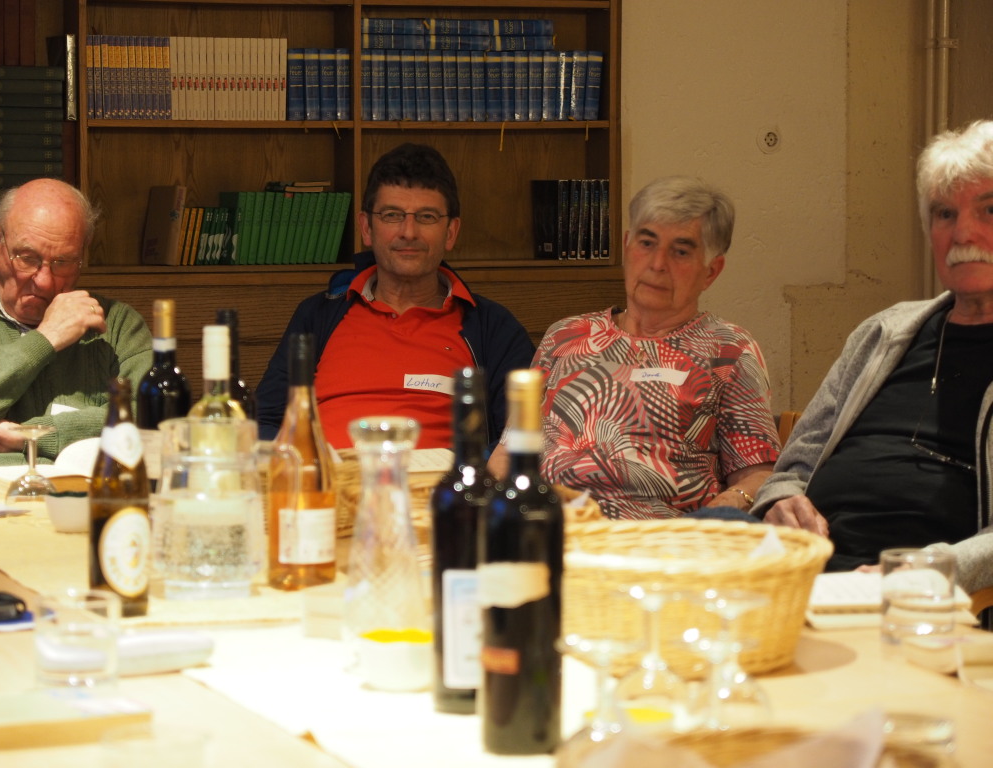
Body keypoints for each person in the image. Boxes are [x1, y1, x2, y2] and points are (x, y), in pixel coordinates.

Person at [752, 120, 993, 596]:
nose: (963, 232)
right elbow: (793, 466)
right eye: (944, 213)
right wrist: (781, 500)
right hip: (798, 574)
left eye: (989, 209)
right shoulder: (884, 331)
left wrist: (926, 570)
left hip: (922, 599)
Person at [489, 176, 780, 519]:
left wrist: (722, 509)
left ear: (711, 271)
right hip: (548, 527)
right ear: (627, 246)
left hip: (659, 538)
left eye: (681, 251)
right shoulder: (565, 336)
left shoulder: (729, 350)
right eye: (647, 242)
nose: (657, 264)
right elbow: (507, 455)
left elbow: (758, 474)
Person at [255, 143, 535, 450]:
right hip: (329, 478)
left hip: (443, 481)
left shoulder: (493, 328)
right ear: (366, 227)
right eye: (392, 215)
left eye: (427, 217)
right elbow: (267, 420)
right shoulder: (317, 316)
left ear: (451, 232)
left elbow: (521, 437)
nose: (409, 232)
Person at [0, 178, 152, 472]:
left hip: (93, 493)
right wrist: (45, 339)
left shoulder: (119, 326)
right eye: (27, 258)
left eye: (63, 262)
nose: (44, 281)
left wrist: (28, 437)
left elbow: (146, 420)